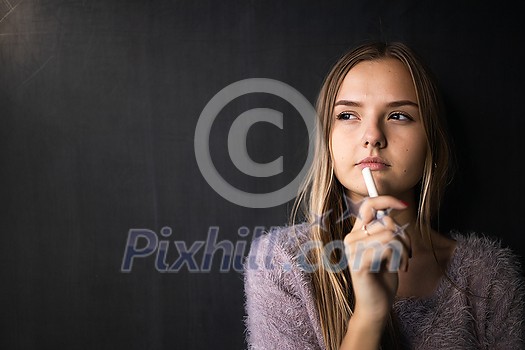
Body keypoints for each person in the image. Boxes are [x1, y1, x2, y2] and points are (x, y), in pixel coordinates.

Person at [243, 41, 525, 349]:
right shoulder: (283, 263)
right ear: (327, 138)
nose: (372, 136)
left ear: (432, 141)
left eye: (399, 115)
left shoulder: (487, 277)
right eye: (348, 115)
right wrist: (369, 317)